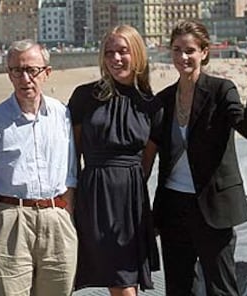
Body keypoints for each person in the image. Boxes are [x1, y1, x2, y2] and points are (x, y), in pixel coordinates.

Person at [149, 20, 247, 295]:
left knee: (221, 289)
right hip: (173, 208)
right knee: (179, 289)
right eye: (177, 50)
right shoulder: (165, 99)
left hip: (213, 207)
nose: (183, 57)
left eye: (190, 50)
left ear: (204, 52)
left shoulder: (221, 90)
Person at [0, 39, 78, 296]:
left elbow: (70, 174)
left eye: (32, 70)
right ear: (9, 74)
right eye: (17, 70)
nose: (25, 78)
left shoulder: (61, 114)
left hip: (56, 218)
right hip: (10, 219)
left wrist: (66, 218)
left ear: (47, 73)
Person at [67, 24, 160, 296]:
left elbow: (148, 160)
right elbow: (73, 154)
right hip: (94, 194)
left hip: (131, 199)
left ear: (138, 54)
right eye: (109, 53)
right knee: (116, 278)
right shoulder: (85, 96)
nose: (116, 59)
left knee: (124, 279)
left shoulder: (150, 103)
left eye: (123, 51)